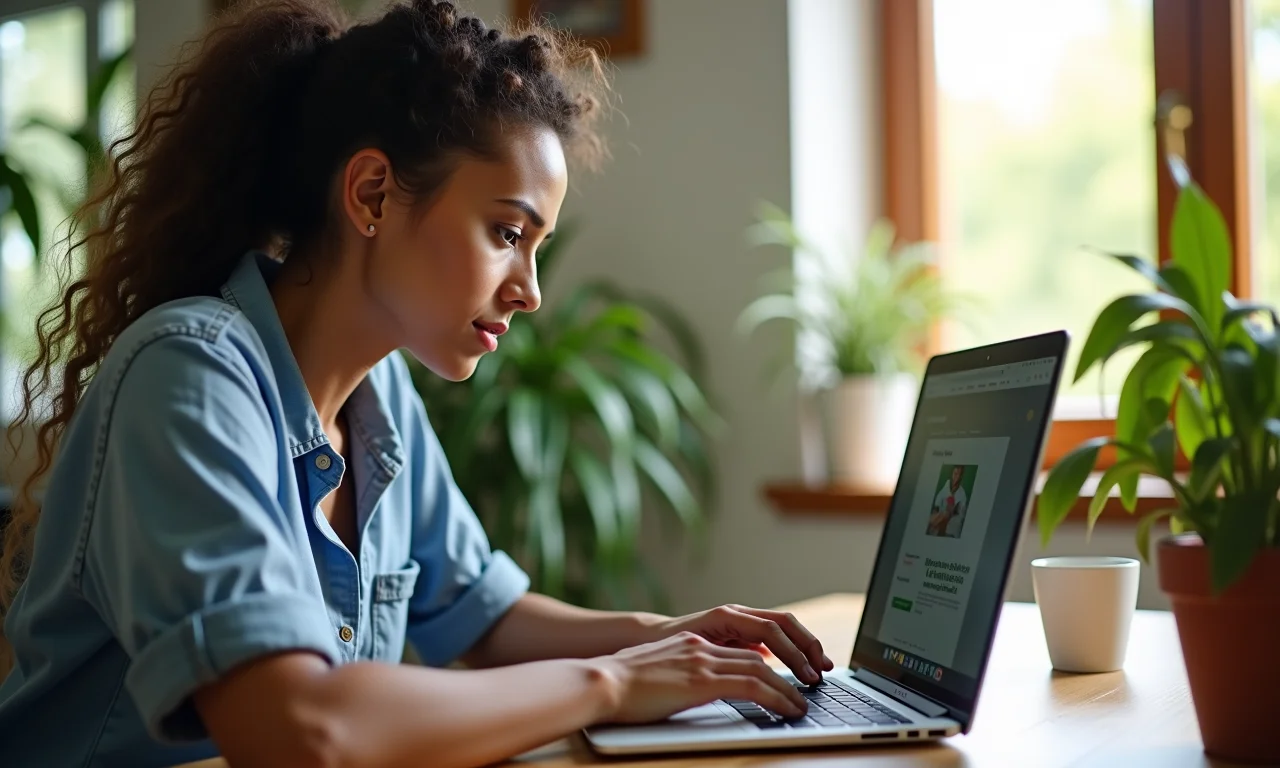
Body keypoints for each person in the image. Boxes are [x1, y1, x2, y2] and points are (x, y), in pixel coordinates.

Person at [0, 1, 833, 766]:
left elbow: (486, 614)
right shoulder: (187, 378)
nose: (531, 289)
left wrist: (672, 639)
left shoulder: (379, 395)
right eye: (507, 231)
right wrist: (613, 682)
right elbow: (303, 729)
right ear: (371, 194)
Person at [928, 465, 968, 538]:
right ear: (952, 474)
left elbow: (961, 513)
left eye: (960, 475)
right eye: (955, 474)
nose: (957, 477)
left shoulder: (962, 494)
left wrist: (952, 511)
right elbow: (937, 505)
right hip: (940, 518)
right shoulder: (945, 488)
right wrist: (937, 512)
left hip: (952, 523)